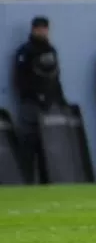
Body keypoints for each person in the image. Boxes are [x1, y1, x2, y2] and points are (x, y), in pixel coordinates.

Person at [12, 16, 67, 183]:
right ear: (33, 29)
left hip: (49, 104)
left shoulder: (51, 50)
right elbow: (20, 79)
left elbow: (55, 77)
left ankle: (46, 181)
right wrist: (33, 96)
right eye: (40, 28)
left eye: (45, 28)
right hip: (30, 103)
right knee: (29, 142)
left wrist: (59, 99)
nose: (43, 31)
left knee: (47, 146)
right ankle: (27, 181)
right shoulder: (25, 51)